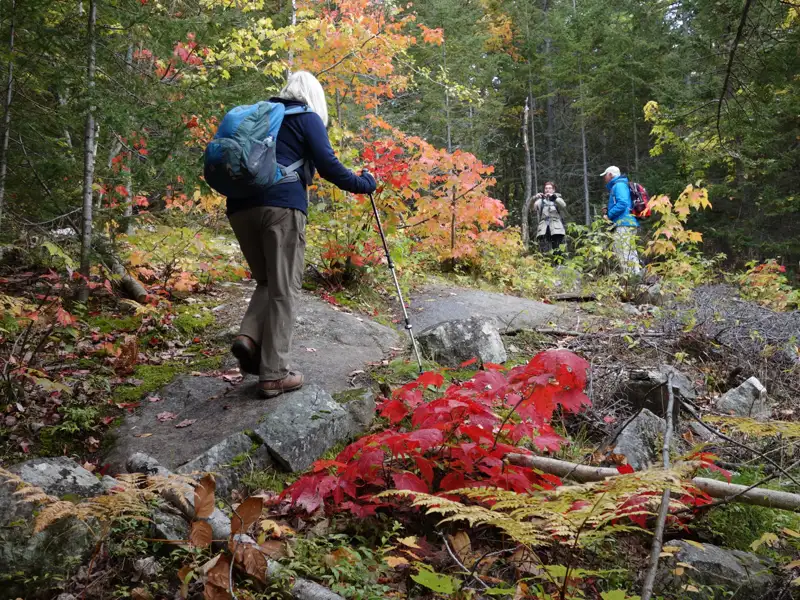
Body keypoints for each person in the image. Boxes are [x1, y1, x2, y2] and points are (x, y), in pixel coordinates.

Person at [227, 71, 376, 398]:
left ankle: (248, 337)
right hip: (281, 207)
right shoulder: (306, 117)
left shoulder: (261, 116)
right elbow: (329, 166)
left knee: (267, 280)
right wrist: (363, 183)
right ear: (315, 97)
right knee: (285, 287)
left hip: (239, 208)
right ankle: (274, 375)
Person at [600, 165, 641, 277]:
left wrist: (609, 215)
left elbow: (622, 203)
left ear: (610, 175)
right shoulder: (623, 184)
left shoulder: (618, 185)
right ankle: (636, 278)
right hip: (630, 222)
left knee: (623, 252)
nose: (605, 178)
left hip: (623, 224)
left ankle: (629, 280)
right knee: (631, 252)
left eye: (605, 175)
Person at [533, 181, 567, 253]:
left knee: (557, 250)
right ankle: (545, 263)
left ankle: (558, 264)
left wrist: (554, 198)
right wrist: (534, 198)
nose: (547, 190)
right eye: (546, 188)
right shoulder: (541, 200)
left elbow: (563, 205)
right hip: (543, 228)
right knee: (544, 250)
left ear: (553, 190)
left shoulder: (557, 199)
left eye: (550, 188)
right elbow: (533, 208)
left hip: (556, 228)